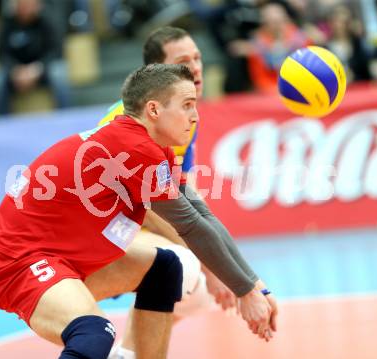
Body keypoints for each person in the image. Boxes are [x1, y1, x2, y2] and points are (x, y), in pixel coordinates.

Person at [0, 63, 275, 359]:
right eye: (186, 106)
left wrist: (254, 285)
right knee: (94, 334)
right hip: (16, 262)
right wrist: (244, 291)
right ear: (154, 110)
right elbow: (191, 227)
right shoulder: (134, 148)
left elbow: (203, 217)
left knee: (165, 268)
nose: (195, 116)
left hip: (66, 255)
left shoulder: (155, 149)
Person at [97, 27, 278, 359]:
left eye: (197, 58)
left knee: (192, 291)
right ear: (157, 74)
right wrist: (215, 269)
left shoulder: (182, 117)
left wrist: (250, 282)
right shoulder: (131, 123)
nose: (196, 67)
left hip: (123, 225)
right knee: (179, 266)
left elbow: (192, 200)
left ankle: (127, 353)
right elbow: (159, 210)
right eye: (183, 62)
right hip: (90, 231)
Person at [0, 0, 71, 115]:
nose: (25, 9)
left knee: (59, 73)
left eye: (29, 5)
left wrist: (37, 69)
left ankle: (65, 115)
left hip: (42, 69)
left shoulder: (47, 21)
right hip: (16, 72)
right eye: (22, 5)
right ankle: (2, 119)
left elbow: (55, 51)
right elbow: (2, 54)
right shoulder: (7, 24)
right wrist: (15, 70)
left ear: (37, 6)